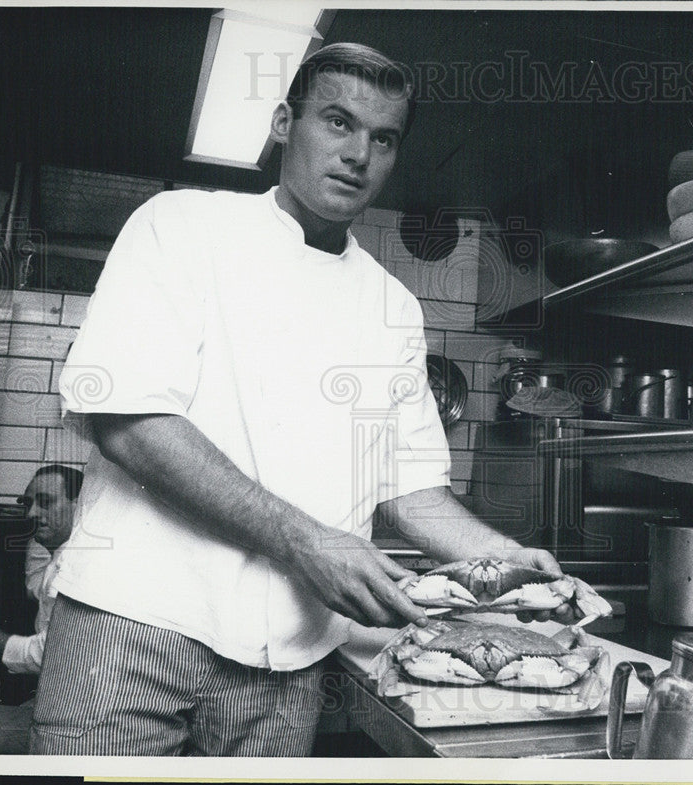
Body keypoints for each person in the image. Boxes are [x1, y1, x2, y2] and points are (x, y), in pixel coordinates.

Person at [32, 43, 571, 757]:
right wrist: (309, 542)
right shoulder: (182, 226)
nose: (359, 154)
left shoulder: (394, 306)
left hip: (289, 661)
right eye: (339, 122)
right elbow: (128, 422)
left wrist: (505, 560)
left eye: (383, 138)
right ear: (286, 121)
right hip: (132, 626)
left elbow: (411, 490)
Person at [0, 464, 83, 754]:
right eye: (28, 503)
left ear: (81, 504)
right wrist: (43, 534)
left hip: (75, 718)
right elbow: (35, 584)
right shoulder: (63, 553)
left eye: (46, 502)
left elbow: (54, 655)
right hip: (52, 699)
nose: (32, 513)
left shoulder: (79, 569)